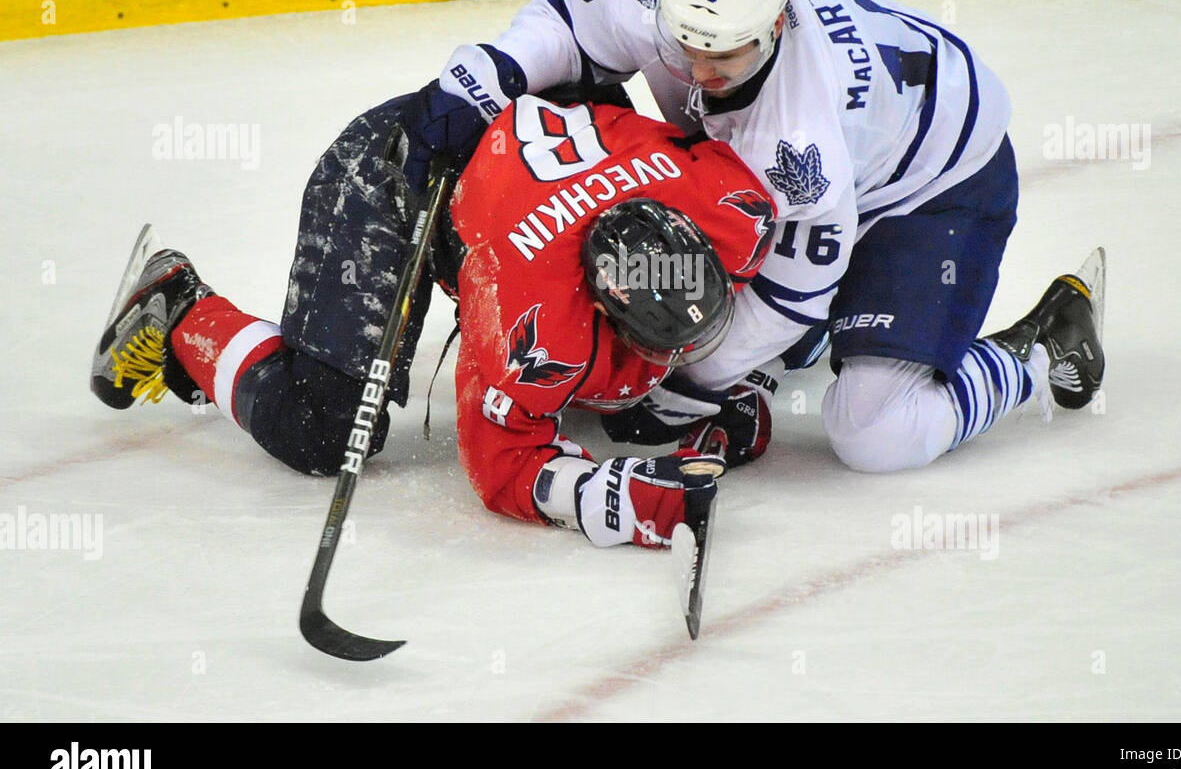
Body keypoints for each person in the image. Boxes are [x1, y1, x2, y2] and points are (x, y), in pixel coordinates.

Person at [397, 0, 1106, 475]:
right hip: (844, 154)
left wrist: (685, 389)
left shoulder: (800, 145)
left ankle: (1043, 346)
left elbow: (793, 292)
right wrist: (490, 75)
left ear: (772, 26)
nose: (698, 68)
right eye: (686, 44)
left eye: (723, 53)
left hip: (936, 182)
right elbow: (566, 26)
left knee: (876, 433)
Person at [91, 86, 778, 550]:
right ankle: (180, 308)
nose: (674, 358)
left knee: (629, 400)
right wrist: (614, 501)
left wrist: (720, 386)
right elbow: (501, 462)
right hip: (405, 168)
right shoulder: (531, 316)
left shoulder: (730, 204)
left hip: (529, 140)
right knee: (320, 426)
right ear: (596, 305)